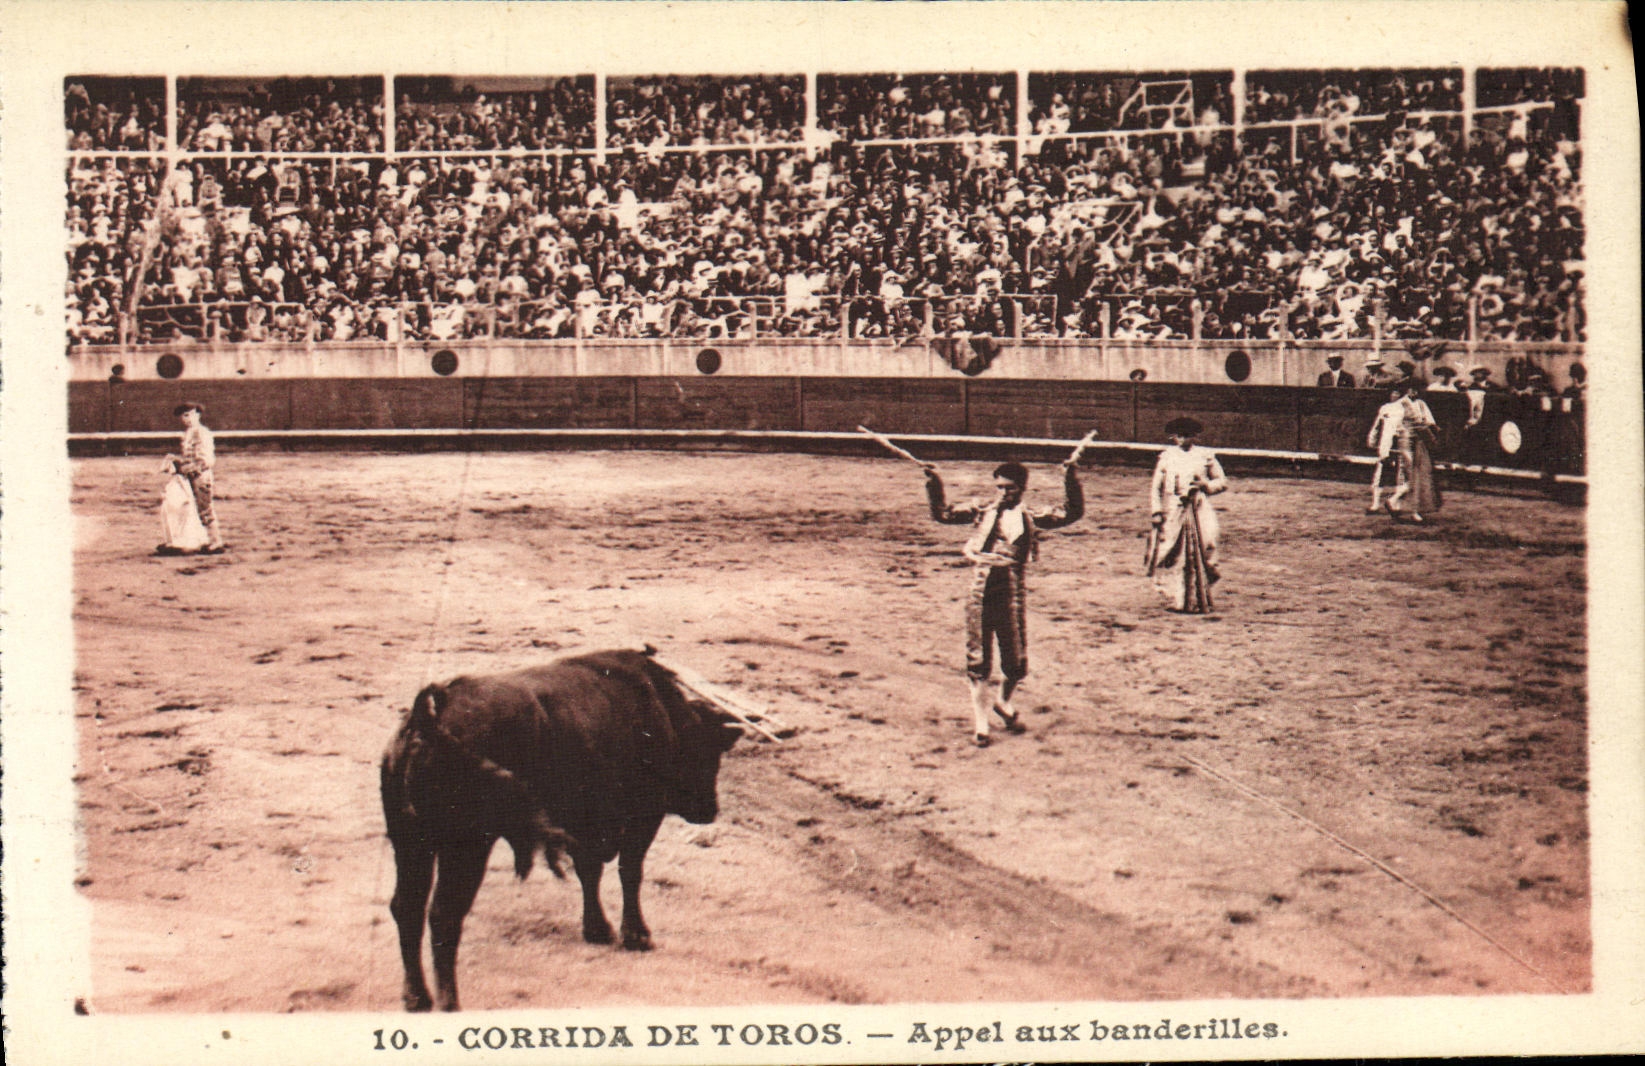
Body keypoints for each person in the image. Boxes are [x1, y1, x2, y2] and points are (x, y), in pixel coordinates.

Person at [924, 456, 1084, 748]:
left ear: (1021, 489)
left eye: (1009, 488)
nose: (1002, 493)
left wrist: (1070, 478)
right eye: (999, 487)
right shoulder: (982, 510)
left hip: (1011, 590)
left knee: (1015, 660)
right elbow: (943, 514)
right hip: (980, 589)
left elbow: (1071, 512)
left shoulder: (1031, 515)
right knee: (979, 658)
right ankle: (981, 723)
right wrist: (934, 483)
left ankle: (1002, 702)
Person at [1148, 418, 1227, 613]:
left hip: (1199, 506)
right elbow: (1155, 488)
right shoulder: (1166, 457)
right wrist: (1156, 511)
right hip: (1174, 509)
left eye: (1188, 435)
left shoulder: (1205, 455)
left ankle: (1200, 595)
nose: (1184, 439)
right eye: (1180, 436)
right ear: (1173, 437)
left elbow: (1222, 481)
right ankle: (1178, 600)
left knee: (1207, 546)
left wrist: (1205, 486)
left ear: (1195, 436)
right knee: (1174, 553)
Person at [164, 402, 225, 554]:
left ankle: (216, 542)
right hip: (190, 477)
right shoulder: (189, 433)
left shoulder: (202, 433)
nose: (186, 419)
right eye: (183, 416)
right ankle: (201, 540)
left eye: (189, 415)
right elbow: (190, 457)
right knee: (191, 510)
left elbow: (206, 460)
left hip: (200, 477)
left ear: (197, 414)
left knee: (204, 509)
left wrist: (186, 468)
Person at [1385, 381, 1442, 522]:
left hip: (1418, 443)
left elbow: (1428, 421)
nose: (1415, 393)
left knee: (1414, 475)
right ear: (1407, 390)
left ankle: (1399, 507)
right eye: (1412, 389)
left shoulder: (1420, 403)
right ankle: (1395, 502)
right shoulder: (1401, 405)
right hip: (1406, 442)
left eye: (1417, 390)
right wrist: (1433, 438)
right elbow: (1418, 424)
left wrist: (1433, 429)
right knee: (1410, 475)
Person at [1365, 384, 1406, 513]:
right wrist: (1372, 439)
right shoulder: (1385, 408)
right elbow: (1377, 425)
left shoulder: (1406, 408)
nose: (1394, 395)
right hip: (1386, 443)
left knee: (1401, 474)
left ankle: (1396, 505)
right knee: (1381, 473)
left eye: (1397, 393)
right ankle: (1375, 504)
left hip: (1400, 443)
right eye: (1393, 393)